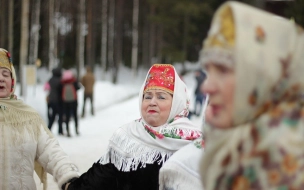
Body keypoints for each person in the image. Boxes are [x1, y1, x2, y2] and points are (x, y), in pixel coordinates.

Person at [199, 2, 304, 189]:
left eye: (223, 70)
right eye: (208, 71)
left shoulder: (286, 165)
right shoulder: (238, 148)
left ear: (265, 77)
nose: (206, 86)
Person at [62, 63, 202, 190]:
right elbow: (98, 181)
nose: (152, 102)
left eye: (161, 97)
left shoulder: (195, 145)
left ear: (177, 103)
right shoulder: (127, 139)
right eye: (147, 96)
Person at [0, 48, 79, 189]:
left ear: (12, 80)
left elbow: (51, 151)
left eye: (5, 74)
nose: (1, 78)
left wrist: (68, 175)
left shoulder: (28, 117)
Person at [61, 69, 81, 137]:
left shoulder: (62, 82)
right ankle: (76, 129)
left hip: (65, 102)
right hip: (74, 101)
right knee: (75, 115)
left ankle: (68, 130)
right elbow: (79, 87)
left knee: (67, 116)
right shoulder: (74, 81)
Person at [48, 66, 64, 135]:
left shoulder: (51, 79)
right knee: (60, 116)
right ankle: (60, 130)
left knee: (53, 115)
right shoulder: (60, 80)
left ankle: (49, 128)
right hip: (58, 100)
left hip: (51, 99)